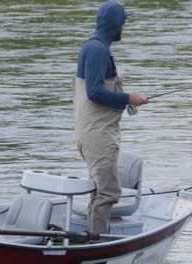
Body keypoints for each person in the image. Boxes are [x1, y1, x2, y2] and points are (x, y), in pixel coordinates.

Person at [73, 1, 148, 233]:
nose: (123, 27)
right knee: (107, 192)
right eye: (122, 23)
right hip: (97, 134)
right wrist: (128, 98)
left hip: (98, 130)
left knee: (101, 190)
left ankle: (94, 237)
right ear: (115, 24)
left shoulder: (99, 47)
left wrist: (127, 99)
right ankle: (97, 244)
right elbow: (94, 92)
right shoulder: (96, 49)